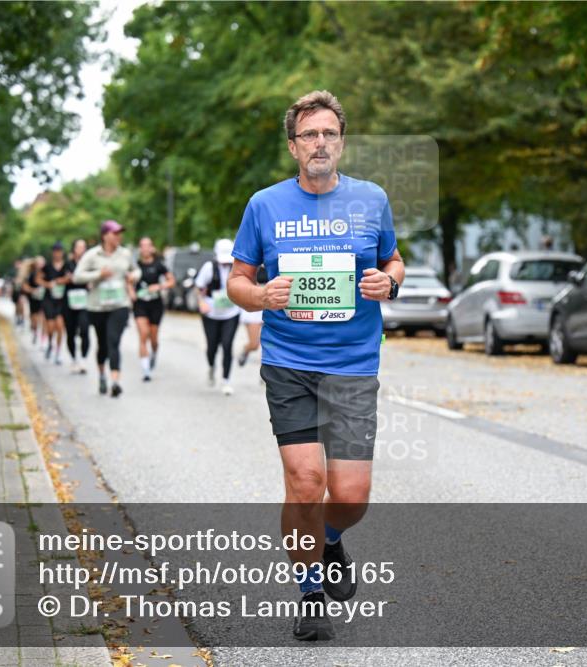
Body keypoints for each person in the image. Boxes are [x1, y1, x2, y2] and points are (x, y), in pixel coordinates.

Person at [227, 90, 404, 641]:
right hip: (289, 362)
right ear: (293, 147)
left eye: (329, 133)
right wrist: (261, 297)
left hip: (352, 365)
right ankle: (308, 593)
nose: (320, 143)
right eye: (310, 135)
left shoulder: (371, 200)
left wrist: (390, 281)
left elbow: (393, 259)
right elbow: (237, 280)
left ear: (342, 142)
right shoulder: (265, 205)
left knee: (350, 496)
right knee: (306, 482)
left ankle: (329, 539)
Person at [72, 220, 133, 397]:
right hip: (97, 306)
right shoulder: (92, 255)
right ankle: (101, 376)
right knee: (103, 344)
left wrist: (133, 277)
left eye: (120, 233)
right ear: (105, 235)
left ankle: (115, 381)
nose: (119, 236)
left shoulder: (125, 254)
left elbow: (135, 271)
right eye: (115, 233)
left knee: (114, 340)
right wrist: (99, 274)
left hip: (119, 304)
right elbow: (77, 276)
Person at [195, 239, 241, 396]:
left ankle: (226, 380)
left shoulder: (236, 267)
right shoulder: (209, 267)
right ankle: (211, 366)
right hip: (211, 313)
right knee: (212, 346)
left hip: (231, 313)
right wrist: (201, 303)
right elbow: (199, 287)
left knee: (227, 345)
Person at [131, 237, 175, 382]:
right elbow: (127, 281)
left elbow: (171, 281)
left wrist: (159, 286)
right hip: (140, 304)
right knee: (143, 334)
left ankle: (154, 353)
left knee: (153, 338)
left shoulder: (159, 265)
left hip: (155, 304)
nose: (144, 248)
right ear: (139, 249)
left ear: (152, 248)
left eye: (147, 245)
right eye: (142, 246)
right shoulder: (135, 266)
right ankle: (146, 370)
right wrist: (130, 291)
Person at [63, 239, 91, 374]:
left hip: (85, 302)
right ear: (74, 249)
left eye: (83, 247)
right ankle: (74, 358)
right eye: (79, 247)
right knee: (70, 332)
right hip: (69, 302)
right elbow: (60, 280)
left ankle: (84, 359)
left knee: (85, 329)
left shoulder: (89, 265)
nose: (81, 249)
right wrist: (67, 279)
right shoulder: (67, 264)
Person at [40, 241, 70, 364]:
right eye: (55, 251)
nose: (57, 253)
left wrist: (60, 281)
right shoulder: (47, 267)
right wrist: (48, 284)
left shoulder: (67, 265)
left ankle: (58, 352)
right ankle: (50, 344)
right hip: (49, 300)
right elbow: (38, 279)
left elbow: (70, 277)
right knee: (51, 327)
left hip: (61, 300)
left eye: (59, 251)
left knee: (60, 327)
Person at [237, 264, 268, 367]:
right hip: (254, 308)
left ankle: (268, 372)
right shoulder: (251, 263)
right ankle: (246, 350)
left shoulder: (277, 260)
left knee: (270, 345)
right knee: (254, 345)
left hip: (271, 306)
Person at [22, 256, 46, 345]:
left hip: (44, 299)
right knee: (35, 320)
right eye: (39, 264)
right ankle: (35, 332)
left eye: (42, 263)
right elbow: (25, 287)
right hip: (34, 299)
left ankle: (43, 339)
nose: (41, 265)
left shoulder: (47, 273)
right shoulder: (31, 275)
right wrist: (33, 291)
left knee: (44, 318)